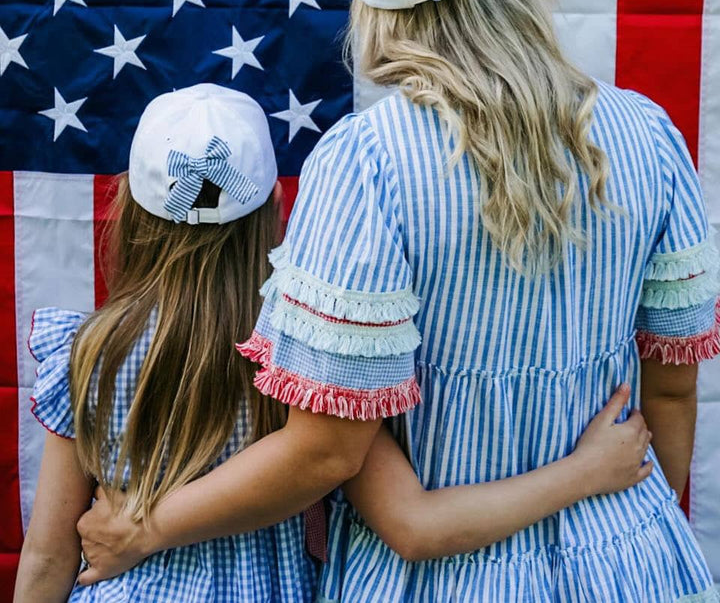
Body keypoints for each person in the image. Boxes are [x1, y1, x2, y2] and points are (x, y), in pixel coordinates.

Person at [75, 0, 720, 602]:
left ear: (376, 13)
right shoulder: (648, 133)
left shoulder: (365, 165)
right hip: (634, 559)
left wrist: (145, 526)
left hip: (437, 580)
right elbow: (670, 392)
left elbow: (326, 452)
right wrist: (626, 534)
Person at [14, 82, 652, 603]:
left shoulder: (88, 353)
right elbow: (412, 518)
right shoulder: (307, 360)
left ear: (128, 205)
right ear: (274, 206)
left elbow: (47, 555)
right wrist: (586, 471)